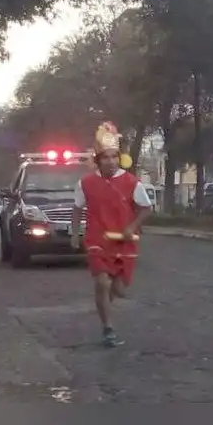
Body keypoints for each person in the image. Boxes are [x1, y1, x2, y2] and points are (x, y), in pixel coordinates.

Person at [70, 122, 153, 348]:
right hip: (98, 240)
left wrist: (131, 227)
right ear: (98, 159)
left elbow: (147, 209)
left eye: (114, 157)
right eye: (105, 157)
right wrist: (75, 233)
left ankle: (105, 308)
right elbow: (77, 208)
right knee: (102, 283)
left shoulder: (131, 182)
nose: (111, 161)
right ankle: (108, 329)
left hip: (124, 242)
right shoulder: (85, 183)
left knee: (118, 289)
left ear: (119, 158)